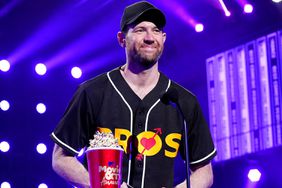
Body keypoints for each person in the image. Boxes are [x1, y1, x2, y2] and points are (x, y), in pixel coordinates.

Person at [51, 1, 217, 188]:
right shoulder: (93, 92)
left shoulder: (183, 101)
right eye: (139, 30)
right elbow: (61, 157)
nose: (149, 37)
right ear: (122, 39)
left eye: (155, 30)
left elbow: (204, 171)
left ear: (163, 38)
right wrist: (104, 185)